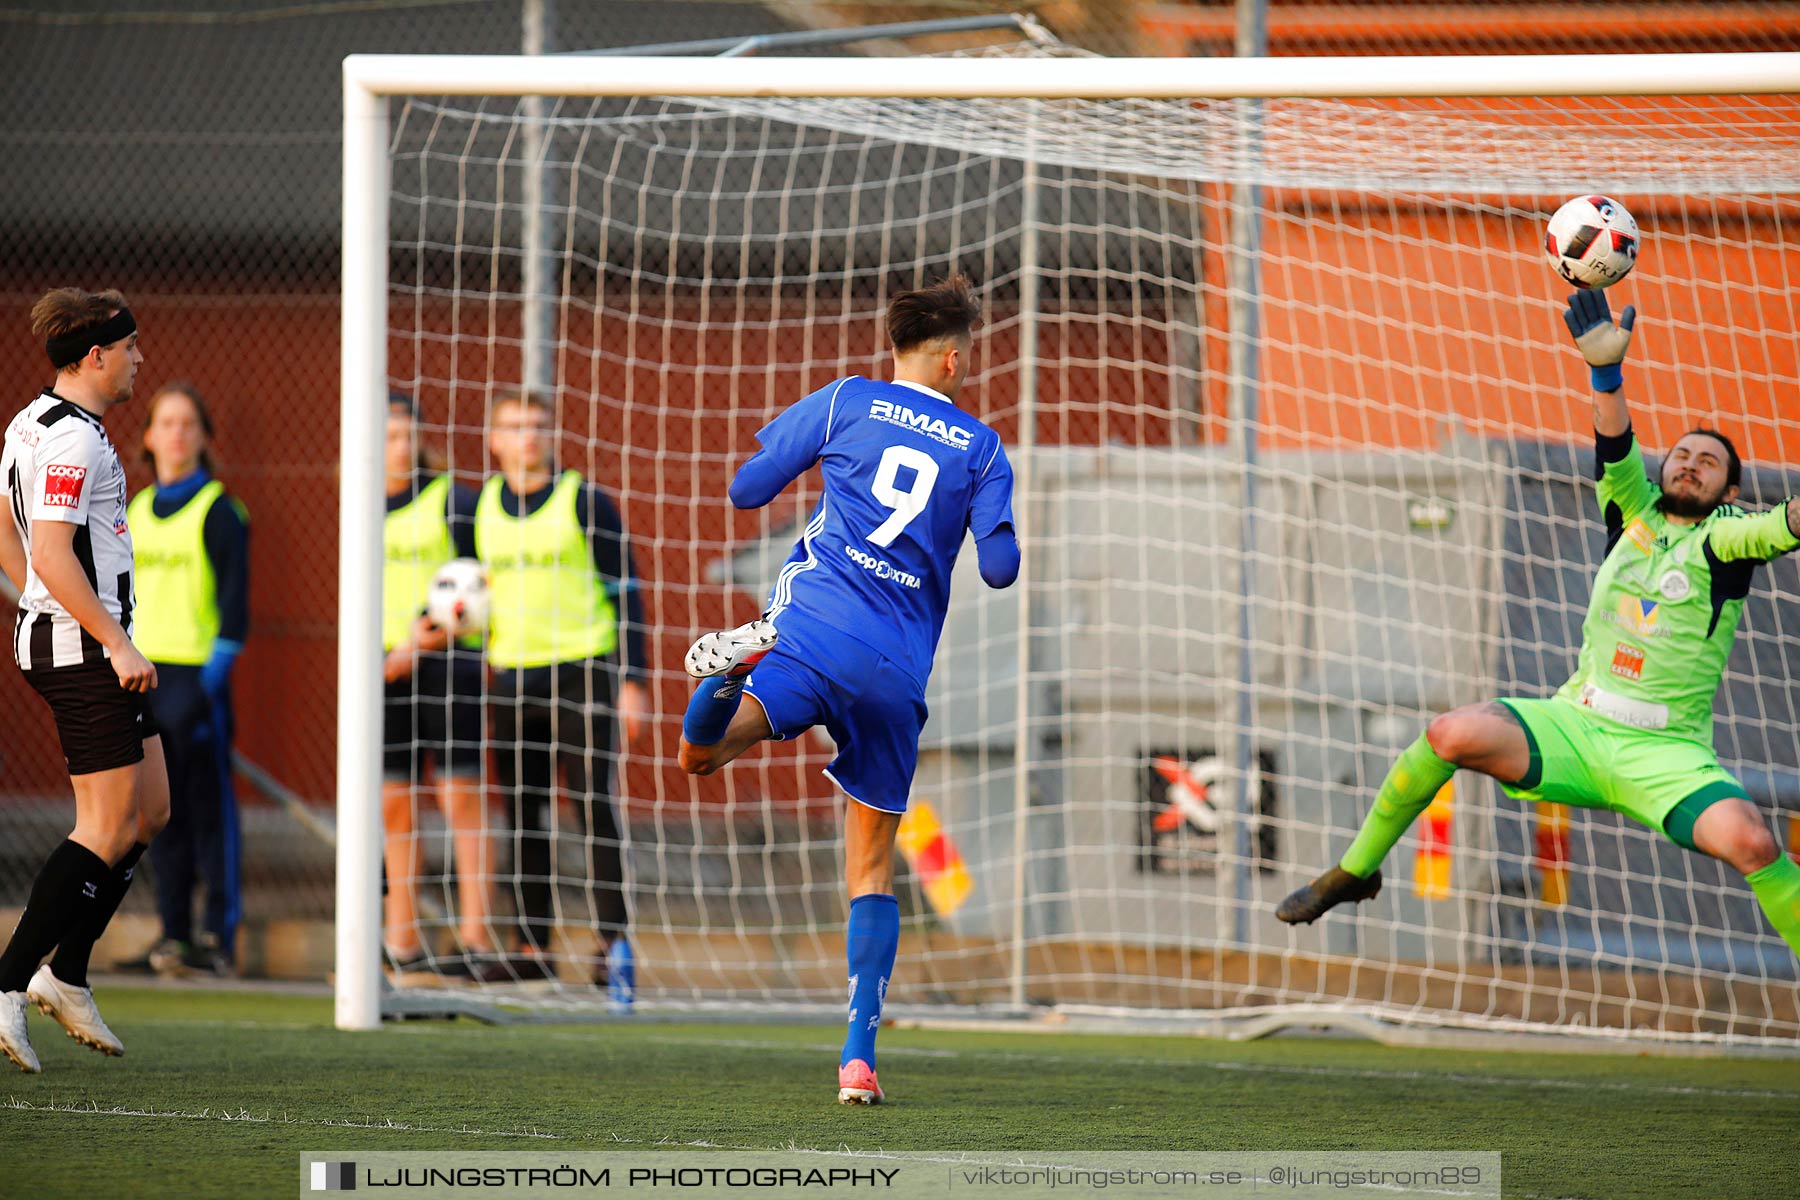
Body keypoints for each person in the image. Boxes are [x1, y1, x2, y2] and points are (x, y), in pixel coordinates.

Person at [1277, 289, 1800, 969]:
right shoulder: (1631, 508)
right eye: (1682, 454)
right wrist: (1606, 373)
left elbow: (1782, 524)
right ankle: (1354, 872)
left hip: (1664, 753)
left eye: (1708, 463)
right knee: (1449, 733)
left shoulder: (1729, 536)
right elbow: (1615, 442)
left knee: (1754, 841)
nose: (1689, 464)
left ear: (1729, 491)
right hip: (1577, 726)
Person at [677, 275, 1020, 1104]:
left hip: (809, 632)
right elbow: (1002, 571)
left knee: (700, 758)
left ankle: (726, 677)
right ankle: (858, 1057)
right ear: (952, 359)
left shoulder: (846, 401)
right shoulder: (980, 447)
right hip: (894, 672)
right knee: (872, 870)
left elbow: (746, 490)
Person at [0, 288, 170, 1073]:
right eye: (130, 346)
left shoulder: (29, 424)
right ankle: (10, 984)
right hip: (86, 649)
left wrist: (38, 593)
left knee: (150, 812)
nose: (139, 358)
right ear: (95, 356)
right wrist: (112, 641)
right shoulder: (71, 441)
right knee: (102, 828)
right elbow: (54, 554)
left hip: (81, 641)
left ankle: (65, 974)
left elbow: (10, 532)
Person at [475, 391, 650, 990]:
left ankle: (611, 945)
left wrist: (634, 680)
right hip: (511, 676)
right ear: (494, 440)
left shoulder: (585, 501)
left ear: (550, 435)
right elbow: (470, 596)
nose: (527, 437)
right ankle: (531, 946)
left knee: (592, 805)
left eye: (537, 426)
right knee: (522, 812)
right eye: (514, 427)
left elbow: (627, 590)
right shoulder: (479, 510)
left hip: (584, 671)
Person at [110, 383, 249, 978]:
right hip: (143, 676)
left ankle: (218, 937)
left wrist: (209, 682)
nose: (176, 433)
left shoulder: (220, 508)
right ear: (147, 436)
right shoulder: (134, 511)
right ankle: (172, 936)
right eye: (165, 422)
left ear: (202, 437)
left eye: (188, 423)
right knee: (156, 815)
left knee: (209, 811)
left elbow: (235, 610)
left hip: (196, 679)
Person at [379, 394, 496, 978]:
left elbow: (480, 589)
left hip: (446, 665)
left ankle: (474, 939)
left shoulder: (452, 501)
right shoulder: (360, 506)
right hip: (380, 671)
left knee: (459, 799)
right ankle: (400, 942)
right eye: (388, 435)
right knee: (394, 804)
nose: (399, 446)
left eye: (407, 435)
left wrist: (422, 640)